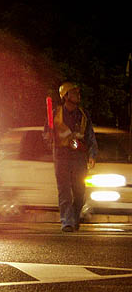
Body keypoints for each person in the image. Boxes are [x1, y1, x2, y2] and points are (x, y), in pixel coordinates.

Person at [51, 82, 98, 232]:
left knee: (79, 192)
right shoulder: (55, 114)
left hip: (79, 157)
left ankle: (74, 218)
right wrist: (50, 140)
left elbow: (90, 136)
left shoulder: (83, 115)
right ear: (65, 96)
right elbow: (46, 132)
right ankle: (67, 222)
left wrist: (92, 154)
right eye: (74, 93)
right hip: (62, 156)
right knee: (64, 191)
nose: (78, 96)